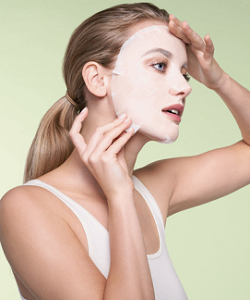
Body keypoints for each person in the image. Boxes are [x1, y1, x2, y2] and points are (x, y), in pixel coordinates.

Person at [0, 2, 249, 300]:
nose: (184, 88)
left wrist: (217, 79)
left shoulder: (155, 187)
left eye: (185, 74)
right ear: (97, 79)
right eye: (160, 65)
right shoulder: (27, 208)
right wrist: (118, 196)